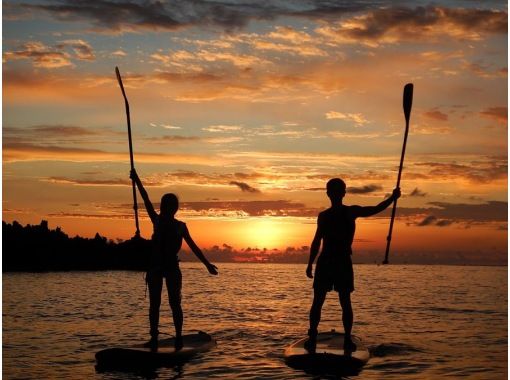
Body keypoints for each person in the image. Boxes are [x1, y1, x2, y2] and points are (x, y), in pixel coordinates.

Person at [304, 178, 400, 352]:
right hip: (330, 261)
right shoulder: (327, 216)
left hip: (337, 261)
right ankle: (318, 337)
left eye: (335, 190)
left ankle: (341, 339)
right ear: (335, 193)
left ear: (340, 193)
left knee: (338, 301)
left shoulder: (346, 212)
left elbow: (374, 209)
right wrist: (310, 263)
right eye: (333, 190)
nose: (334, 193)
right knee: (324, 301)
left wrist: (392, 199)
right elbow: (317, 241)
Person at [130, 169, 218, 351]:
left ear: (173, 208)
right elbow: (145, 198)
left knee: (174, 303)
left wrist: (207, 264)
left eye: (166, 205)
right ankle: (154, 337)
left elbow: (194, 247)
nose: (163, 208)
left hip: (171, 267)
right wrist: (137, 179)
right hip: (155, 267)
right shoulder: (157, 220)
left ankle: (178, 337)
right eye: (162, 205)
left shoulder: (180, 226)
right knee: (154, 304)